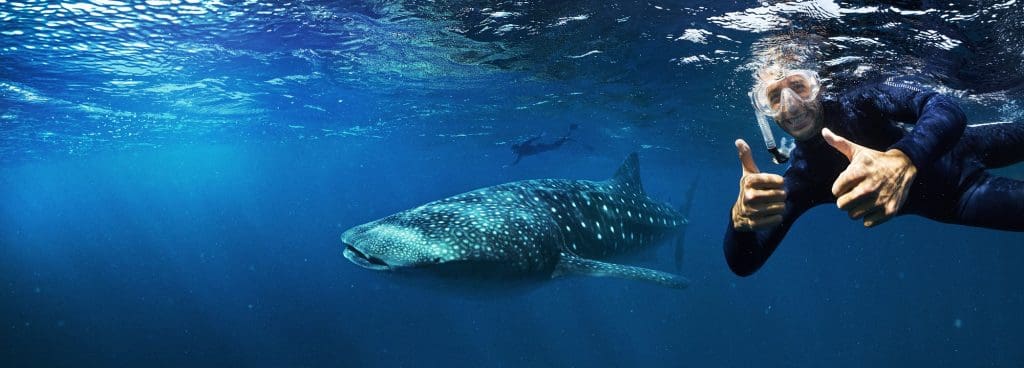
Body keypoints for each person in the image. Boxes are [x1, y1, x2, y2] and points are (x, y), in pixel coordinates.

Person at [725, 60, 1024, 277]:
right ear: (766, 113)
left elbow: (944, 107)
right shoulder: (804, 177)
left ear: (816, 87)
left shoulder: (861, 101)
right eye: (775, 98)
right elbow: (745, 263)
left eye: (798, 87)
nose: (790, 107)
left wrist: (903, 159)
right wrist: (740, 223)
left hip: (967, 142)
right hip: (960, 196)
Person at [509, 124, 585, 165]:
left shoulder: (523, 146)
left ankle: (569, 132)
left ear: (517, 148)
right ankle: (567, 136)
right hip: (541, 149)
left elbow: (531, 140)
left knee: (555, 147)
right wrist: (509, 165)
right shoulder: (520, 153)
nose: (514, 152)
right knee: (556, 146)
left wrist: (540, 136)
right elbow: (516, 162)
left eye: (514, 150)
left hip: (541, 147)